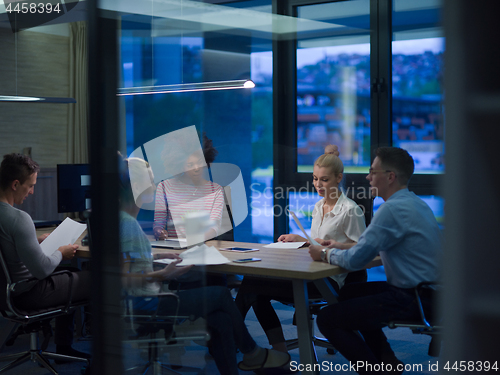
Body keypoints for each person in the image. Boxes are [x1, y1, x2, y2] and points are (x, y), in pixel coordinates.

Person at [119, 157, 290, 375]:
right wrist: (163, 274)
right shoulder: (128, 225)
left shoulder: (122, 221)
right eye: (150, 181)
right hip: (148, 305)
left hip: (148, 299)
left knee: (221, 320)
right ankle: (252, 352)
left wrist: (159, 255)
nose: (154, 186)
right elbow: (122, 277)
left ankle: (249, 358)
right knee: (220, 295)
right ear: (136, 187)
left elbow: (129, 262)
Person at [309, 147, 442, 375]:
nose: (368, 177)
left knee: (327, 318)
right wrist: (339, 246)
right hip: (431, 293)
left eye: (373, 171)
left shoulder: (390, 210)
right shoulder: (415, 203)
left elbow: (354, 260)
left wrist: (323, 253)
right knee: (350, 294)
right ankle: (386, 358)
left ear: (390, 177)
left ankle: (373, 371)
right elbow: (372, 249)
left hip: (414, 298)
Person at [235, 145, 366, 353]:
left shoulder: (350, 210)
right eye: (315, 179)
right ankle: (278, 351)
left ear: (338, 178)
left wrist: (333, 247)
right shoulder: (318, 207)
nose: (318, 184)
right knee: (253, 286)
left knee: (252, 286)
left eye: (324, 179)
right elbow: (318, 242)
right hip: (308, 272)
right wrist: (301, 240)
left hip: (327, 280)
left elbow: (362, 248)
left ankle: (235, 340)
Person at [0, 153, 90, 361]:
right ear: (15, 184)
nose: (31, 192)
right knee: (96, 279)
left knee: (72, 274)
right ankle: (100, 358)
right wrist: (62, 252)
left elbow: (9, 250)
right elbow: (41, 270)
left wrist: (34, 241)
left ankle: (64, 347)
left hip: (7, 292)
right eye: (30, 186)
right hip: (29, 292)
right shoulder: (18, 218)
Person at [153, 134, 224, 242]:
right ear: (180, 166)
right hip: (174, 250)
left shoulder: (216, 190)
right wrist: (159, 232)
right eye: (190, 165)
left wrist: (197, 239)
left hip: (204, 249)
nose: (196, 168)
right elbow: (159, 222)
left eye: (200, 162)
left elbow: (214, 227)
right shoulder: (164, 187)